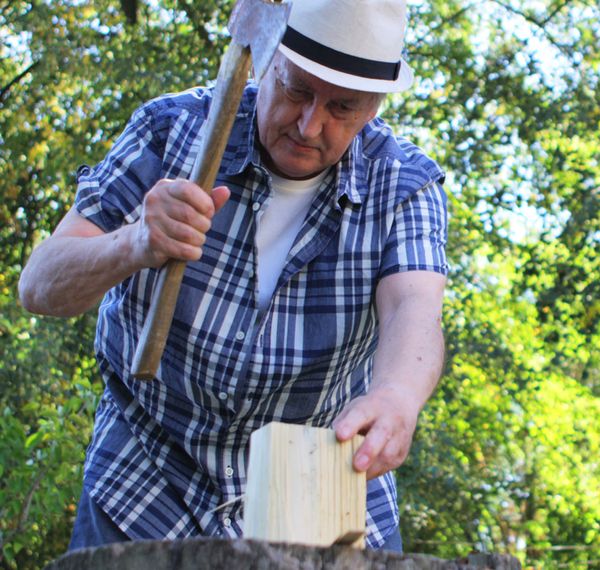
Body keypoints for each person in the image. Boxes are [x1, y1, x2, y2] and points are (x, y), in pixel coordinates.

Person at [18, 0, 446, 552]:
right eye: (296, 90)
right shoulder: (170, 130)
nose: (309, 124)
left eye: (341, 106)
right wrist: (135, 243)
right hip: (144, 484)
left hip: (319, 493)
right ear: (267, 62)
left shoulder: (405, 184)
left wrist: (396, 397)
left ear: (375, 107)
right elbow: (39, 285)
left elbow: (414, 310)